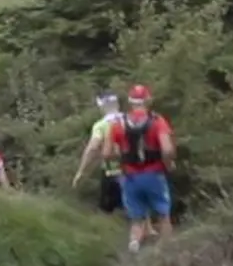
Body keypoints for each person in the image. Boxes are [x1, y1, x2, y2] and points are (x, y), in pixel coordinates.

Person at [75, 84, 176, 253]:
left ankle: (134, 246)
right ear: (148, 100)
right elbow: (167, 149)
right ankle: (168, 252)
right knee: (163, 214)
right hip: (153, 173)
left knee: (136, 219)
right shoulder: (157, 121)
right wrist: (169, 163)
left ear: (130, 101)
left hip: (130, 176)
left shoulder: (118, 124)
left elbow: (107, 154)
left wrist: (123, 155)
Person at [73, 91, 127, 216]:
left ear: (102, 106)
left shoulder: (101, 125)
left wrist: (81, 171)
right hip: (136, 168)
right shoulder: (130, 120)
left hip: (112, 170)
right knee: (136, 207)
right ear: (117, 104)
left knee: (107, 211)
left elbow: (92, 149)